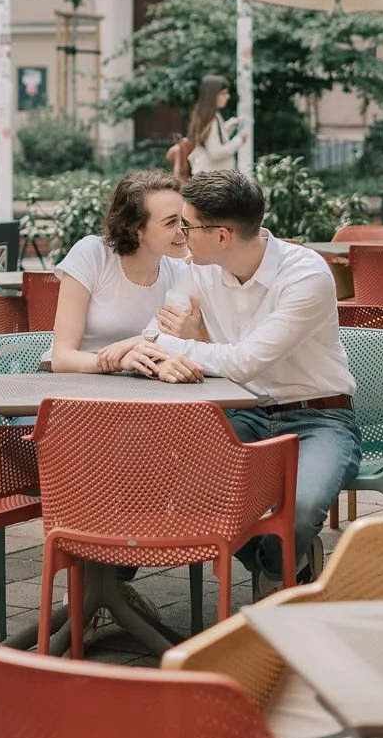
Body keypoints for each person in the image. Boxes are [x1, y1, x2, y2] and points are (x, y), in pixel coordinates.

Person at [130, 168, 362, 593]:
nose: (181, 235)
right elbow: (151, 336)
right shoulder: (195, 271)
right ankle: (287, 565)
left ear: (221, 236)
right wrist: (169, 346)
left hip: (319, 418)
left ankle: (276, 570)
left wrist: (184, 344)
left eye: (188, 225)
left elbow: (244, 362)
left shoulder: (305, 275)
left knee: (302, 506)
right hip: (241, 414)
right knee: (190, 491)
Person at [50, 169, 190, 373]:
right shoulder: (92, 255)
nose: (183, 230)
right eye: (171, 222)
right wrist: (119, 361)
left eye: (184, 220)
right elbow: (62, 359)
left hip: (144, 390)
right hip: (77, 388)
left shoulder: (180, 273)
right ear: (135, 230)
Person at [186, 74, 248, 174]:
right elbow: (215, 153)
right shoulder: (211, 119)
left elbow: (214, 139)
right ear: (213, 95)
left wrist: (229, 126)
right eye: (223, 93)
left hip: (207, 176)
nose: (227, 96)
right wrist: (239, 140)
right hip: (212, 179)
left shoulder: (207, 115)